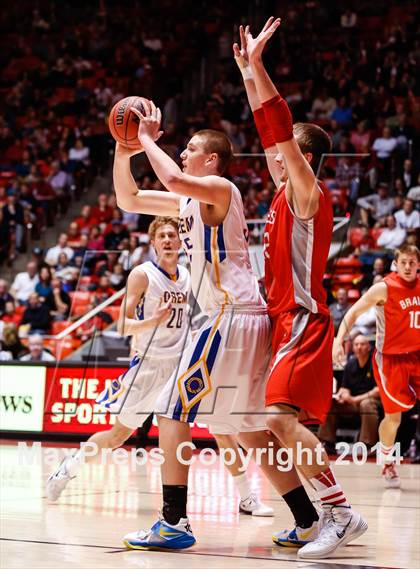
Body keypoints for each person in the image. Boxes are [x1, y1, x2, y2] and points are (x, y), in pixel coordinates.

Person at [113, 98, 293, 548]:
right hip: (242, 318)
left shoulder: (219, 187)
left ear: (210, 159)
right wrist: (123, 150)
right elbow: (128, 198)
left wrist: (148, 140)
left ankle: (173, 522)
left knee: (173, 412)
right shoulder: (189, 200)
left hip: (228, 317)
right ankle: (313, 515)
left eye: (189, 148)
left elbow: (172, 176)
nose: (182, 153)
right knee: (248, 428)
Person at [240, 17, 367, 558]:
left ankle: (340, 514)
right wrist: (247, 73)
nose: (271, 153)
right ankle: (319, 514)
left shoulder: (309, 193)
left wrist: (261, 70)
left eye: (284, 150)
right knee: (272, 428)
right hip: (284, 322)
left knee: (275, 421)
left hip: (303, 321)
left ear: (303, 157)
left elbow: (275, 126)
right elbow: (266, 126)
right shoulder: (281, 196)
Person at [334, 245, 420, 488]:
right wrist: (338, 339)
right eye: (403, 262)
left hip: (417, 355)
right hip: (391, 359)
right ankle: (387, 458)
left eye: (412, 262)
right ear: (396, 262)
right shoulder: (384, 287)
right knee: (394, 418)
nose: (407, 267)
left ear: (418, 264)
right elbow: (352, 313)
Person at [319, 334, 380, 452]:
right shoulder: (351, 364)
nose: (359, 347)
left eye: (362, 344)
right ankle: (327, 442)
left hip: (373, 401)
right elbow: (344, 387)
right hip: (353, 403)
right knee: (332, 403)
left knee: (366, 404)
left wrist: (355, 399)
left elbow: (378, 390)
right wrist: (344, 395)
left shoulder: (375, 363)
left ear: (368, 347)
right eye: (356, 344)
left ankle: (368, 445)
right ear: (352, 348)